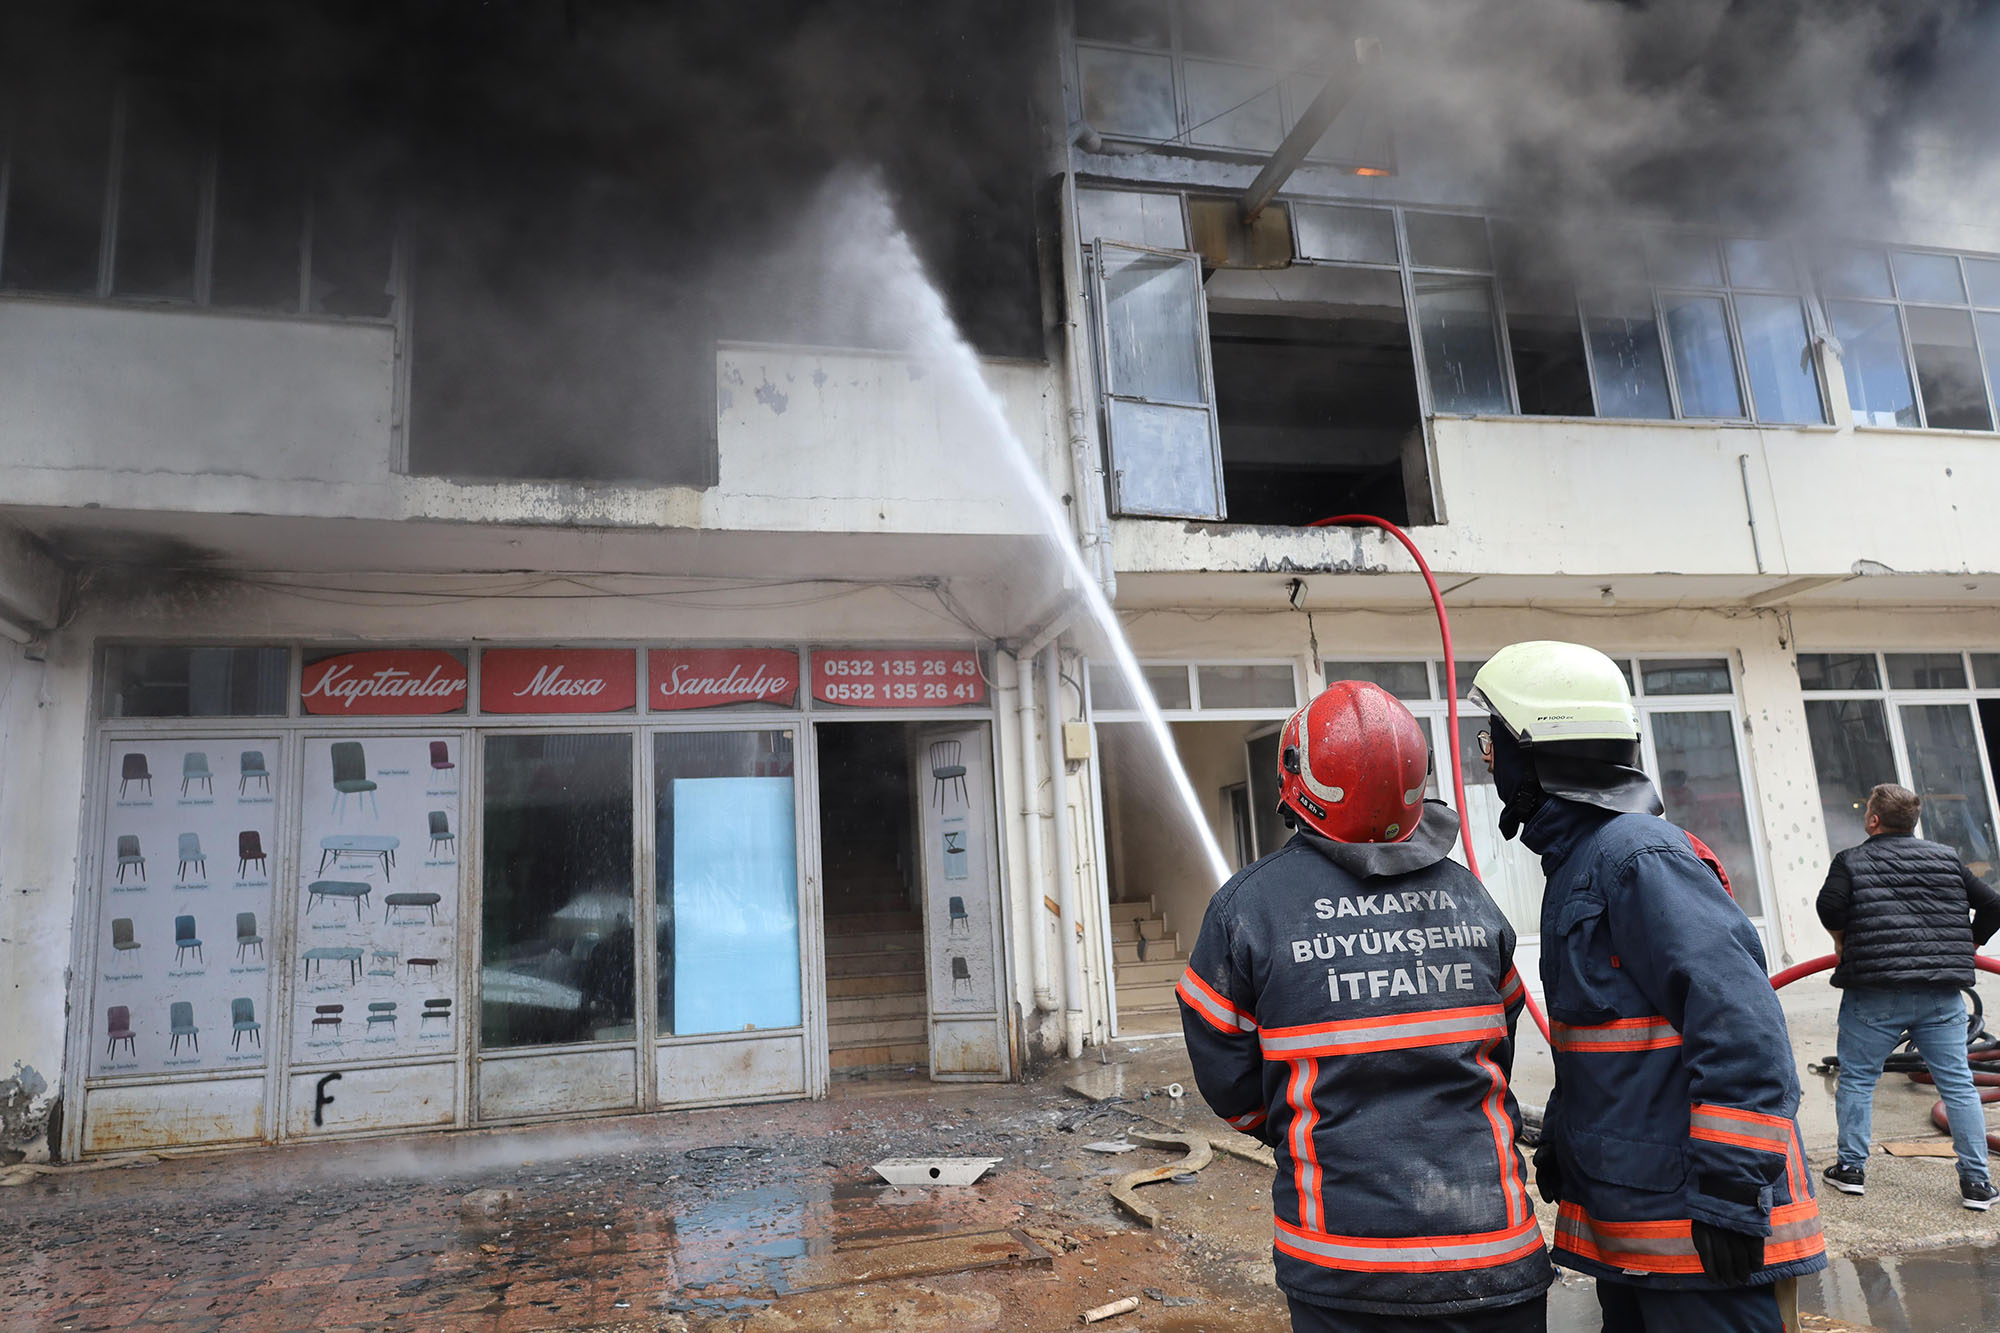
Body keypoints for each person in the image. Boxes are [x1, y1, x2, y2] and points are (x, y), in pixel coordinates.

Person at [1469, 641, 1825, 1332]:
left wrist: (1729, 1186)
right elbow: (1615, 1041)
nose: (1489, 760)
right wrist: (1569, 1138)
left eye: (1497, 742)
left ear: (1543, 748)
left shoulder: (1638, 858)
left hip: (1703, 1238)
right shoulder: (1582, 861)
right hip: (1643, 1232)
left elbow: (1742, 1027)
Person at [1178, 680, 1553, 1332]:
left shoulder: (1247, 909)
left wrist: (1305, 1120)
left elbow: (1230, 1080)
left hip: (1342, 1265)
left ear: (1296, 780)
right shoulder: (1472, 899)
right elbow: (1497, 1047)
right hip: (1496, 1260)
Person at [1815, 782, 2000, 1210]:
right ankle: (1976, 1184)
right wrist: (1967, 945)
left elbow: (1830, 907)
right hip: (1940, 994)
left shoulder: (1852, 860)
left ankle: (1851, 1170)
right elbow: (1993, 905)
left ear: (1873, 819)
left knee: (1860, 1080)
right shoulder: (1947, 857)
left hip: (1873, 991)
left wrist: (1841, 940)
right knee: (1957, 1086)